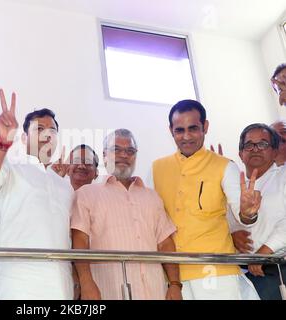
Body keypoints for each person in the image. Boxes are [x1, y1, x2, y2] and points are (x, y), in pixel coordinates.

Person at [151, 99, 260, 300]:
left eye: (193, 128)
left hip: (215, 271)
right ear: (171, 130)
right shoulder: (157, 168)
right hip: (172, 275)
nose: (186, 136)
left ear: (205, 127)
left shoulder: (225, 166)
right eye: (179, 130)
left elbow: (242, 212)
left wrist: (247, 213)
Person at [0, 96, 74, 299]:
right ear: (25, 138)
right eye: (39, 129)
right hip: (19, 285)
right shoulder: (11, 169)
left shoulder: (64, 185)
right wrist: (2, 142)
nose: (47, 134)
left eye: (52, 130)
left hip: (62, 285)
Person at [71, 129, 181, 300]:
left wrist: (175, 284)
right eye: (116, 149)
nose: (124, 155)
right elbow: (79, 241)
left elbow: (166, 243)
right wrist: (86, 283)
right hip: (108, 292)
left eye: (130, 151)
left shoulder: (151, 196)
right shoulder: (86, 194)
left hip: (155, 291)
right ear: (105, 155)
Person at [228, 123, 286, 300]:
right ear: (241, 153)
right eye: (249, 145)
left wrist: (262, 254)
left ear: (275, 152)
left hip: (275, 270)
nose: (255, 149)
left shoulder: (283, 177)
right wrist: (231, 234)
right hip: (238, 272)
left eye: (263, 144)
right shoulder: (230, 184)